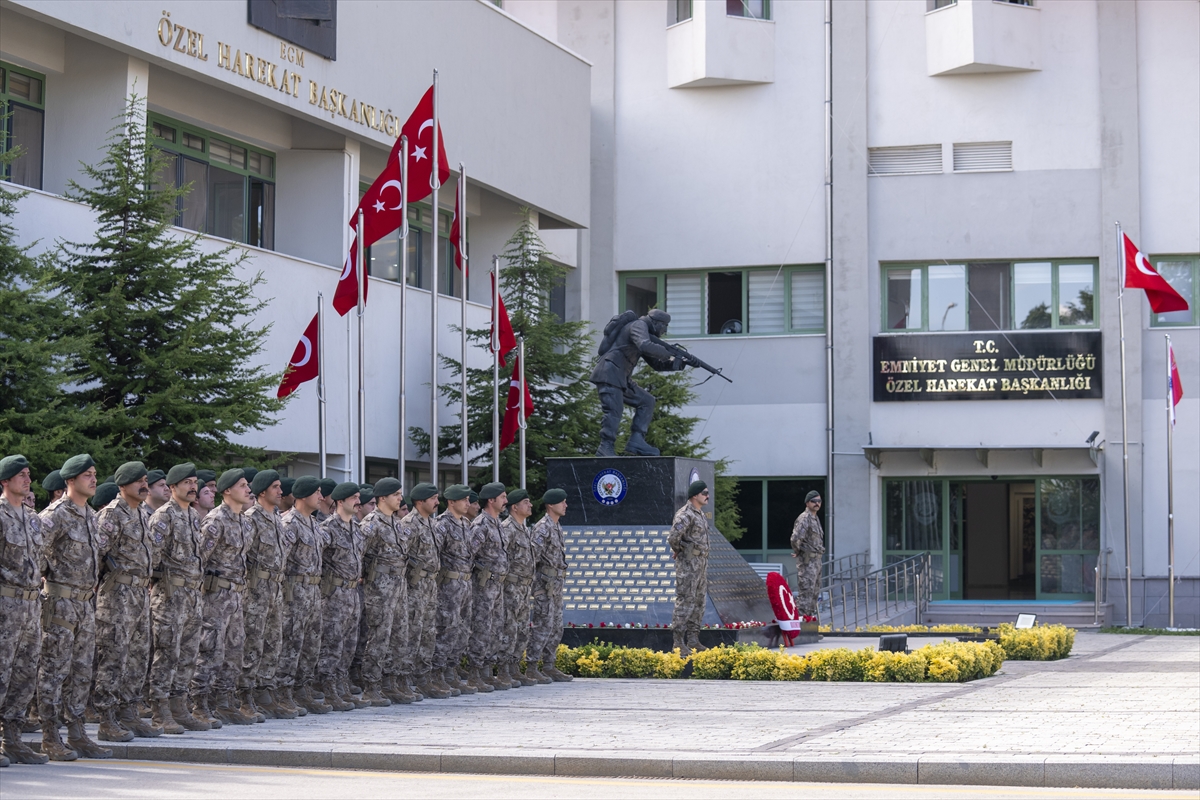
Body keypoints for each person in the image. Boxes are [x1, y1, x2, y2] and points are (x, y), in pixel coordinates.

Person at [38, 454, 111, 761]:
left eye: (94, 474)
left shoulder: (90, 515)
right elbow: (35, 553)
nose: (93, 479)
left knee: (82, 672)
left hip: (85, 603)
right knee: (54, 671)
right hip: (60, 603)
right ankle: (49, 736)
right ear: (70, 481)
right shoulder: (55, 514)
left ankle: (78, 733)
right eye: (87, 475)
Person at [93, 462, 165, 740]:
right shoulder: (112, 514)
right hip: (117, 596)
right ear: (123, 485)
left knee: (137, 657)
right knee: (113, 657)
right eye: (139, 481)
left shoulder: (141, 515)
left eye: (146, 480)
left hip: (138, 595)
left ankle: (129, 713)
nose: (144, 485)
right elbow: (96, 555)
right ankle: (107, 719)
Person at [147, 463, 210, 732]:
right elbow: (152, 559)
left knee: (188, 654)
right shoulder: (164, 516)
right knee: (167, 654)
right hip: (170, 597)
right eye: (187, 482)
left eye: (195, 482)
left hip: (192, 596)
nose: (193, 487)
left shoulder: (192, 517)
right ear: (173, 487)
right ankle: (160, 711)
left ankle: (179, 706)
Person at [191, 469, 256, 726]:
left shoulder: (244, 522)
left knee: (234, 651)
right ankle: (199, 704)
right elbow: (199, 560)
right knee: (210, 651)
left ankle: (225, 702)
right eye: (242, 485)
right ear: (227, 490)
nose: (247, 489)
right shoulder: (215, 521)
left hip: (236, 596)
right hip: (215, 596)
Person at [0, 455, 50, 766]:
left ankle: (13, 739)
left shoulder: (32, 518)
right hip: (6, 606)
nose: (27, 479)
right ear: (4, 481)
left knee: (24, 674)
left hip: (32, 605)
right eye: (20, 475)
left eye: (29, 474)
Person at [589, 309, 685, 457]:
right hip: (610, 373)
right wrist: (669, 352)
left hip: (620, 377)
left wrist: (678, 363)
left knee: (647, 401)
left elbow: (656, 364)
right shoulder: (638, 325)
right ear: (656, 322)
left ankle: (636, 441)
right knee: (614, 411)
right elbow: (645, 346)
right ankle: (605, 447)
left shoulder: (643, 331)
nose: (665, 331)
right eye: (664, 326)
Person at [241, 470, 293, 721]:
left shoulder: (276, 519)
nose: (280, 492)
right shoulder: (251, 518)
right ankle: (245, 697)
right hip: (255, 590)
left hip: (275, 589)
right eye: (275, 487)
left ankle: (265, 693)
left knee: (273, 643)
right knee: (252, 644)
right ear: (262, 492)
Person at [357, 478, 410, 706]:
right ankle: (372, 686)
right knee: (379, 637)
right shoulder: (372, 524)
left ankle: (391, 683)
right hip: (379, 589)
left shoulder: (396, 523)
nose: (400, 498)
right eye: (396, 494)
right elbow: (358, 554)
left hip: (398, 587)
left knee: (399, 637)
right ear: (382, 498)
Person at [278, 476, 329, 715]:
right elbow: (281, 561)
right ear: (303, 496)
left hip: (313, 592)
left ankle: (303, 690)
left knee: (311, 645)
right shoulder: (290, 523)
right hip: (294, 592)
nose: (321, 497)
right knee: (292, 643)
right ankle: (283, 693)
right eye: (316, 492)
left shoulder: (313, 523)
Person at [316, 482, 367, 711]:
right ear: (339, 502)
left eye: (358, 497)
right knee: (332, 644)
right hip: (334, 595)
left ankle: (342, 687)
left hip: (353, 592)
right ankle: (328, 691)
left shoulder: (357, 529)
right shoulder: (327, 529)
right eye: (354, 498)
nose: (358, 501)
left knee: (349, 644)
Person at [431, 485, 477, 697]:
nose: (468, 504)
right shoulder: (442, 524)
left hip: (465, 584)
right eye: (464, 500)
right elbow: (435, 555)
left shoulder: (466, 524)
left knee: (462, 630)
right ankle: (437, 674)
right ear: (451, 502)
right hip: (448, 586)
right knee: (447, 629)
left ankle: (451, 671)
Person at [401, 483, 446, 700]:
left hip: (430, 585)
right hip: (414, 586)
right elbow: (402, 556)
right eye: (433, 498)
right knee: (413, 633)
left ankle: (423, 679)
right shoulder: (409, 524)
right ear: (420, 501)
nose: (437, 502)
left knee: (428, 633)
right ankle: (405, 680)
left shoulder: (432, 524)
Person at [468, 482, 509, 691]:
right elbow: (469, 556)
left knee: (494, 628)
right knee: (481, 628)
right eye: (502, 497)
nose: (506, 501)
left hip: (497, 586)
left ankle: (486, 670)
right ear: (491, 500)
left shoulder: (497, 523)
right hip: (483, 586)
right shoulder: (481, 524)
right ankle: (475, 672)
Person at [528, 488, 572, 682]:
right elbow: (533, 559)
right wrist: (536, 588)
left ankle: (549, 665)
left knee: (555, 627)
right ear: (551, 505)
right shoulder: (543, 527)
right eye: (562, 502)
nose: (566, 505)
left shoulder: (556, 526)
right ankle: (531, 666)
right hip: (544, 586)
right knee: (542, 625)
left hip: (555, 586)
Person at [668, 480, 711, 657]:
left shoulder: (700, 514)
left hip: (700, 563)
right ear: (695, 495)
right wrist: (680, 550)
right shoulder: (685, 514)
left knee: (699, 602)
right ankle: (678, 642)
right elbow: (673, 537)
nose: (707, 496)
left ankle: (693, 639)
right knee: (685, 601)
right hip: (689, 564)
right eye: (704, 493)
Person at [499, 488, 537, 687]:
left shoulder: (524, 528)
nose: (530, 505)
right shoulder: (507, 528)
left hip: (524, 588)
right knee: (509, 628)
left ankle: (514, 667)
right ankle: (504, 670)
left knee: (522, 629)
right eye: (526, 502)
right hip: (511, 587)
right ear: (515, 507)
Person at [790, 491, 825, 619]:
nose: (817, 503)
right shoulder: (805, 518)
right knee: (805, 594)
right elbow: (795, 538)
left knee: (814, 595)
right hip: (807, 561)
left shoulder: (815, 518)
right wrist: (798, 551)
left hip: (817, 561)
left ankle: (808, 623)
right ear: (807, 503)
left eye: (819, 501)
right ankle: (799, 625)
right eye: (813, 501)